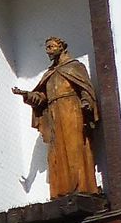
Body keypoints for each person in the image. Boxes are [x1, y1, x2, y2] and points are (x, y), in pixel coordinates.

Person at [13, 36, 100, 198]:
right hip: (54, 114)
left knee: (75, 148)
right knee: (57, 153)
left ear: (61, 47)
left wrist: (86, 102)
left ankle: (82, 187)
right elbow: (42, 98)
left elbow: (85, 89)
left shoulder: (75, 67)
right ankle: (63, 190)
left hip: (71, 111)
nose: (48, 51)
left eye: (51, 47)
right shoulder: (49, 74)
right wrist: (27, 95)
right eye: (47, 48)